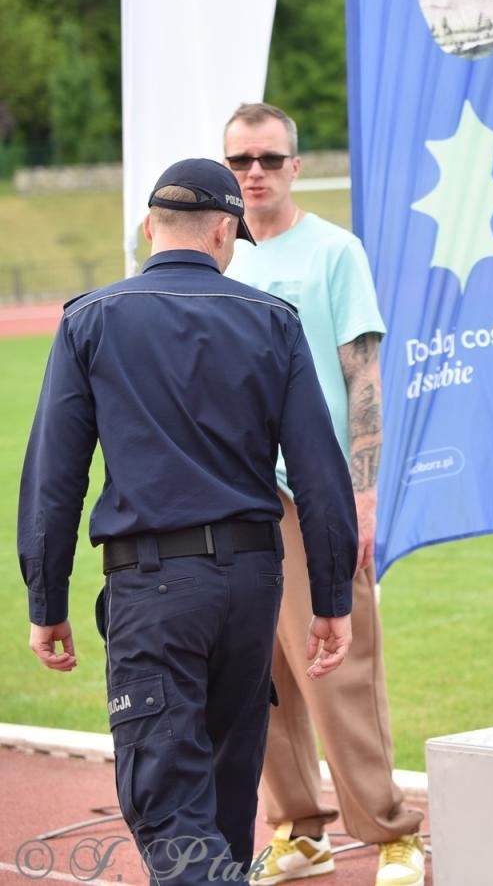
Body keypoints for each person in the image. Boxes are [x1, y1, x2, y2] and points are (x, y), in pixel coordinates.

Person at [19, 158, 357, 885]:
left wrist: (47, 603)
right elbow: (320, 474)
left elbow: (55, 479)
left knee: (169, 805)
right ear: (225, 232)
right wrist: (332, 601)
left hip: (154, 588)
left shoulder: (91, 320)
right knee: (225, 801)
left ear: (150, 228)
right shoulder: (273, 321)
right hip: (251, 585)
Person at [221, 104, 427, 886]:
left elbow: (363, 380)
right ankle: (298, 827)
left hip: (315, 493)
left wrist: (362, 499)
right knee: (254, 674)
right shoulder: (215, 257)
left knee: (339, 669)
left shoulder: (335, 252)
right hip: (232, 497)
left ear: (296, 165)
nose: (255, 173)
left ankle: (391, 831)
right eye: (241, 160)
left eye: (269, 159)